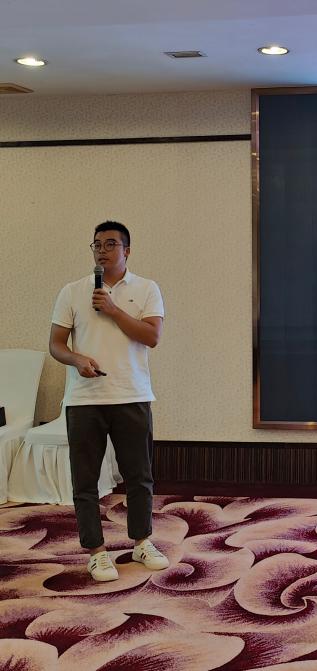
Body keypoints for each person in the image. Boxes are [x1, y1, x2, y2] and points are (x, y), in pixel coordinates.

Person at [49, 221, 169, 582]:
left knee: (139, 477)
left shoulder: (147, 288)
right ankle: (96, 552)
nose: (102, 250)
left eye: (110, 244)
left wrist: (114, 310)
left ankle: (142, 542)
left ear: (126, 251)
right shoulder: (72, 291)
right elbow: (56, 344)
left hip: (132, 395)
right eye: (97, 245)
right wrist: (76, 359)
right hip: (84, 400)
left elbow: (152, 336)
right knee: (85, 481)